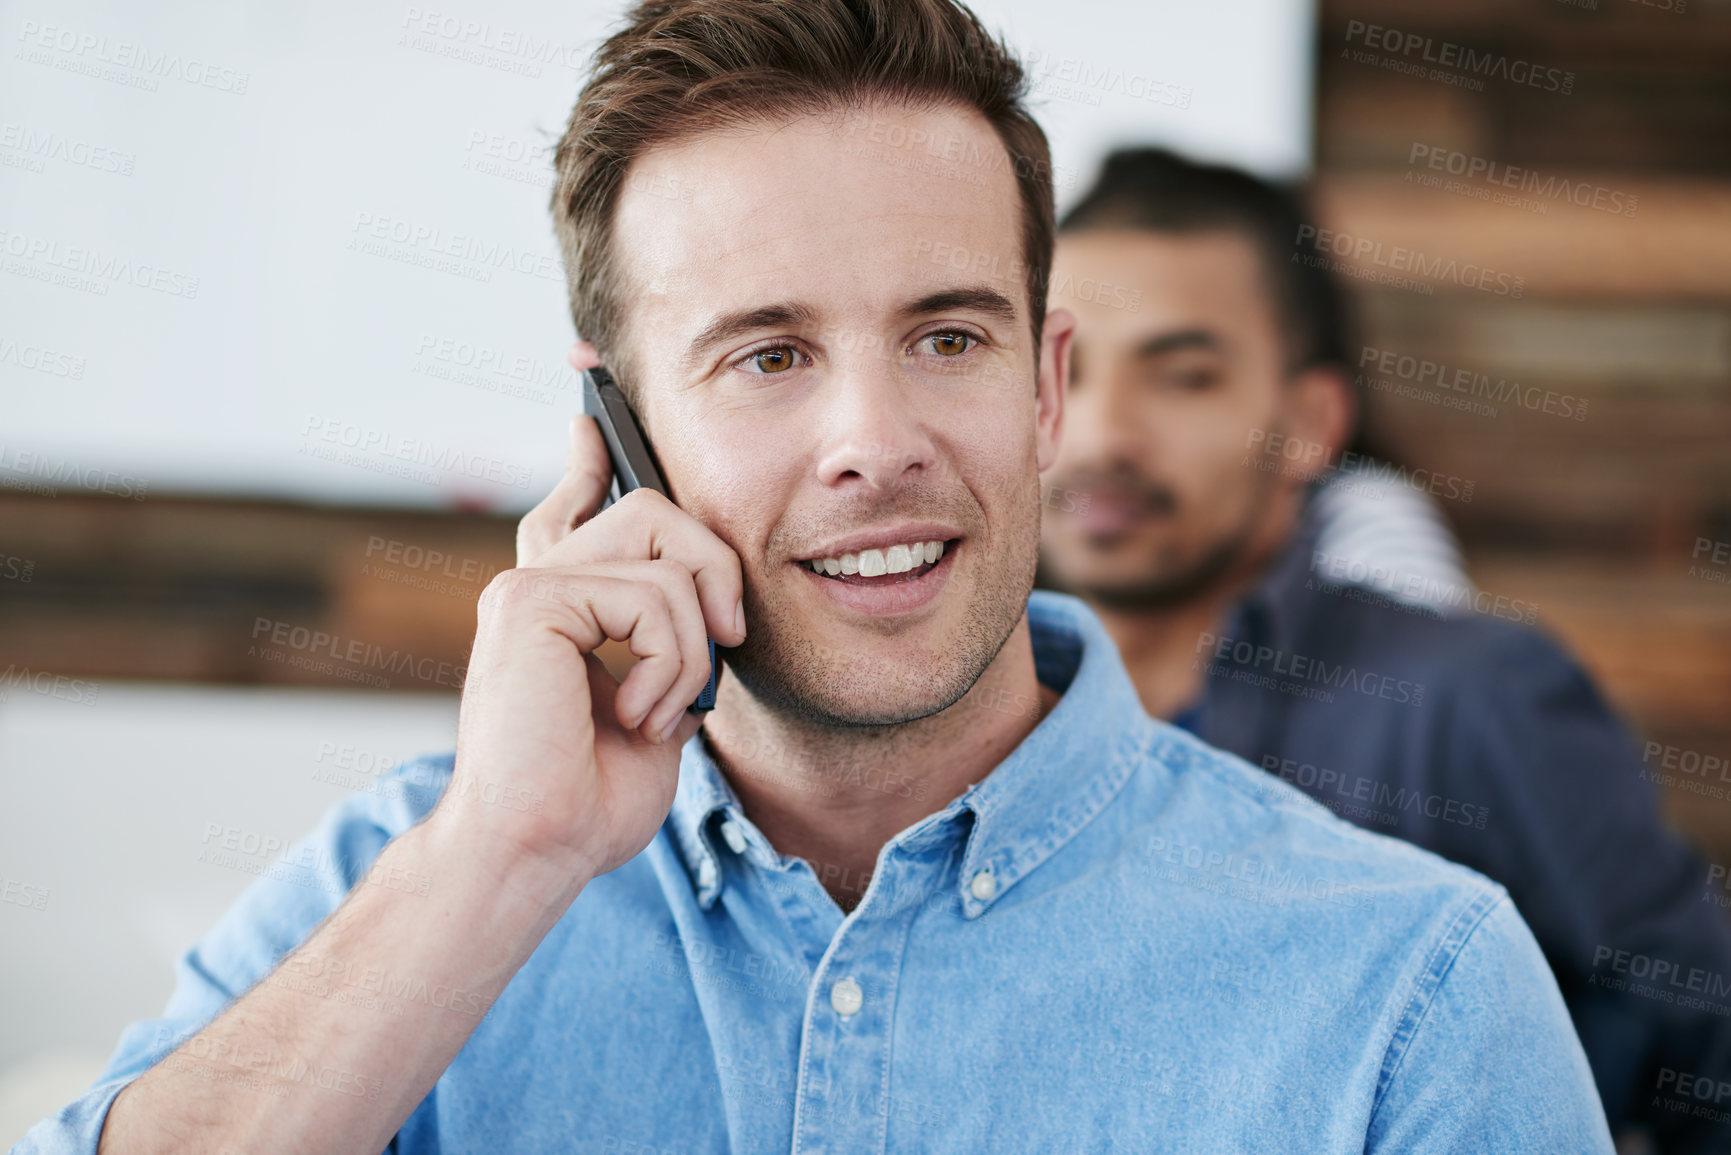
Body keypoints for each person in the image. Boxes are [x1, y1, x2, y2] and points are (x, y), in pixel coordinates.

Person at [20, 5, 1613, 1152]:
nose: (876, 441)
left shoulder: (1413, 987)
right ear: (615, 430)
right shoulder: (409, 878)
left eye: (945, 337)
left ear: (1044, 387)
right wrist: (503, 854)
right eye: (767, 354)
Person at [1036, 145, 1731, 1151]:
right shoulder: (976, 714)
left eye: (1184, 377)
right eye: (1067, 370)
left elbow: (1708, 1051)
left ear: (1310, 424)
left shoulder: (1470, 697)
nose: (1104, 435)